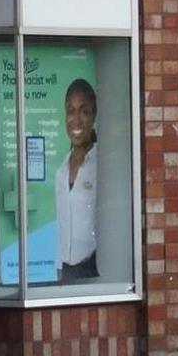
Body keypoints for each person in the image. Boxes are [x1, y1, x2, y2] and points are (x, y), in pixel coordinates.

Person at [56, 78, 99, 283]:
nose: (77, 120)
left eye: (84, 111)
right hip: (67, 271)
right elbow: (62, 226)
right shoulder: (61, 171)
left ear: (94, 115)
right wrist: (59, 270)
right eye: (71, 112)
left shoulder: (102, 164)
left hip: (95, 267)